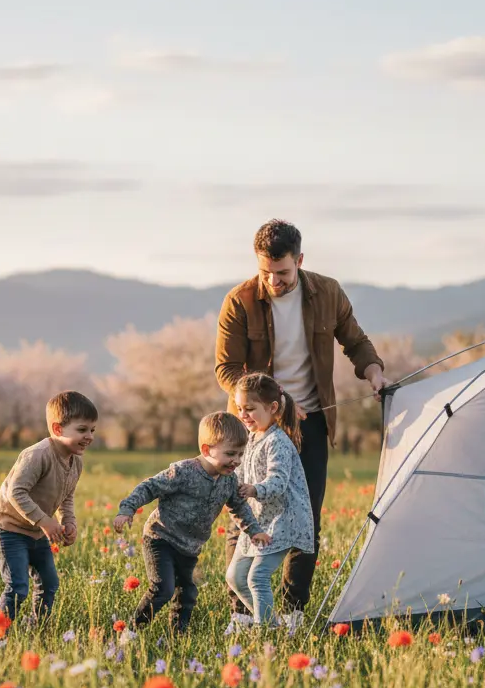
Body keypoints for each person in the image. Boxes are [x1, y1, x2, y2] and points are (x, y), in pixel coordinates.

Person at [215, 219, 387, 620]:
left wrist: (374, 371)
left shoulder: (328, 292)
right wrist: (274, 402)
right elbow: (226, 369)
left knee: (304, 517)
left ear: (300, 261)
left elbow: (355, 341)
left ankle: (293, 612)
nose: (273, 281)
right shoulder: (239, 300)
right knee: (245, 512)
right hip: (253, 427)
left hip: (311, 422)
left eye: (282, 273)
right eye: (265, 273)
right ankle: (242, 615)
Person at [113, 411, 271, 634]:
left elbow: (239, 507)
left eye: (240, 454)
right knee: (163, 589)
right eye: (230, 454)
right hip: (161, 538)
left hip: (190, 546)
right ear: (207, 450)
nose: (236, 460)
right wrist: (127, 509)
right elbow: (150, 487)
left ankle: (178, 635)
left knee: (186, 593)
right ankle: (132, 630)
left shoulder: (229, 480)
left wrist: (254, 531)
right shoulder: (183, 472)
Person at [0, 390, 97, 625]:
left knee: (49, 583)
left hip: (36, 529)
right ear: (58, 429)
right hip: (8, 527)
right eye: (82, 430)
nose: (89, 436)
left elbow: (67, 494)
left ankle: (39, 626)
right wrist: (44, 521)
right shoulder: (37, 455)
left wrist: (68, 521)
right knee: (17, 587)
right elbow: (16, 492)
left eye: (92, 430)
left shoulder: (75, 460)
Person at [226, 372, 314, 629]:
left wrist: (254, 490)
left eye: (250, 409)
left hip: (282, 520)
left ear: (273, 408)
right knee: (235, 577)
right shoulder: (250, 439)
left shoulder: (278, 442)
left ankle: (265, 632)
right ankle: (271, 623)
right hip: (259, 519)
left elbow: (278, 481)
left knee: (257, 576)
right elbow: (238, 472)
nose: (243, 414)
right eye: (240, 408)